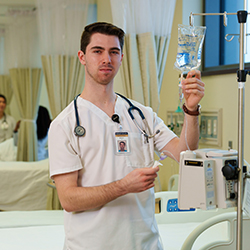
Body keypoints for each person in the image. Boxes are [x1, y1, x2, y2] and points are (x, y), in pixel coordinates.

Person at [48, 22, 205, 250]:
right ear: (82, 57)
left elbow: (184, 152)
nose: (106, 59)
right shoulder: (65, 124)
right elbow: (69, 200)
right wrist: (123, 186)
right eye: (97, 51)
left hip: (144, 244)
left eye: (114, 52)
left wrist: (191, 110)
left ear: (121, 58)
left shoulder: (141, 115)